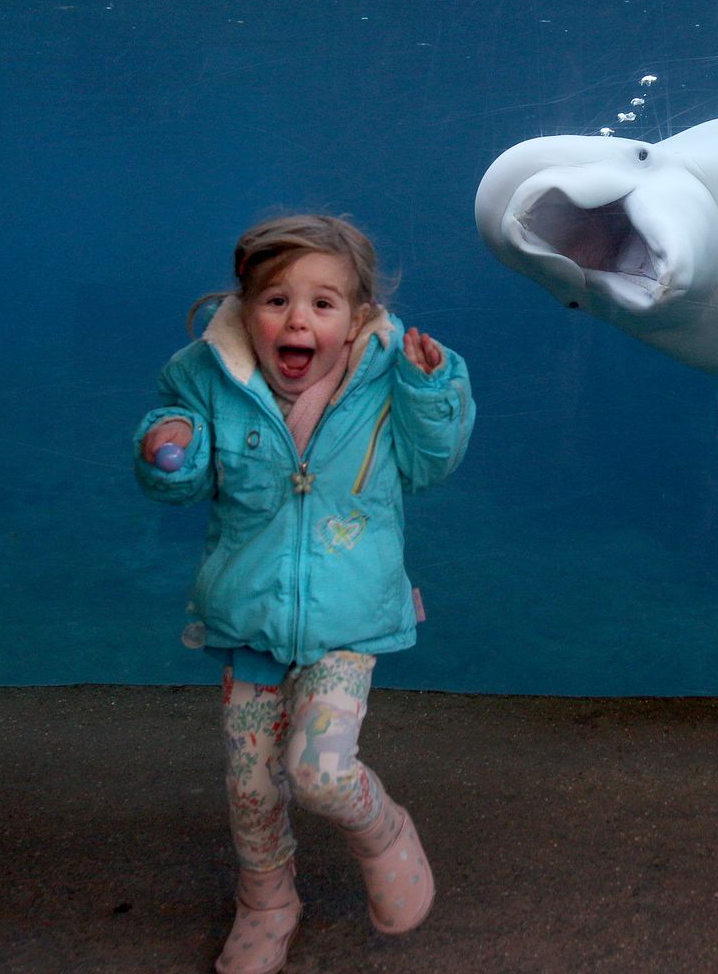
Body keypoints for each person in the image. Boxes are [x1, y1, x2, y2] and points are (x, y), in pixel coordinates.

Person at [133, 214, 474, 974]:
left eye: (323, 304)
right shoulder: (206, 376)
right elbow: (179, 470)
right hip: (247, 618)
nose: (297, 319)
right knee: (251, 784)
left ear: (356, 320)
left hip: (350, 619)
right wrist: (166, 450)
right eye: (277, 299)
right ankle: (267, 900)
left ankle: (384, 831)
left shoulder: (389, 377)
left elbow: (430, 465)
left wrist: (431, 389)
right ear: (244, 306)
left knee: (319, 772)